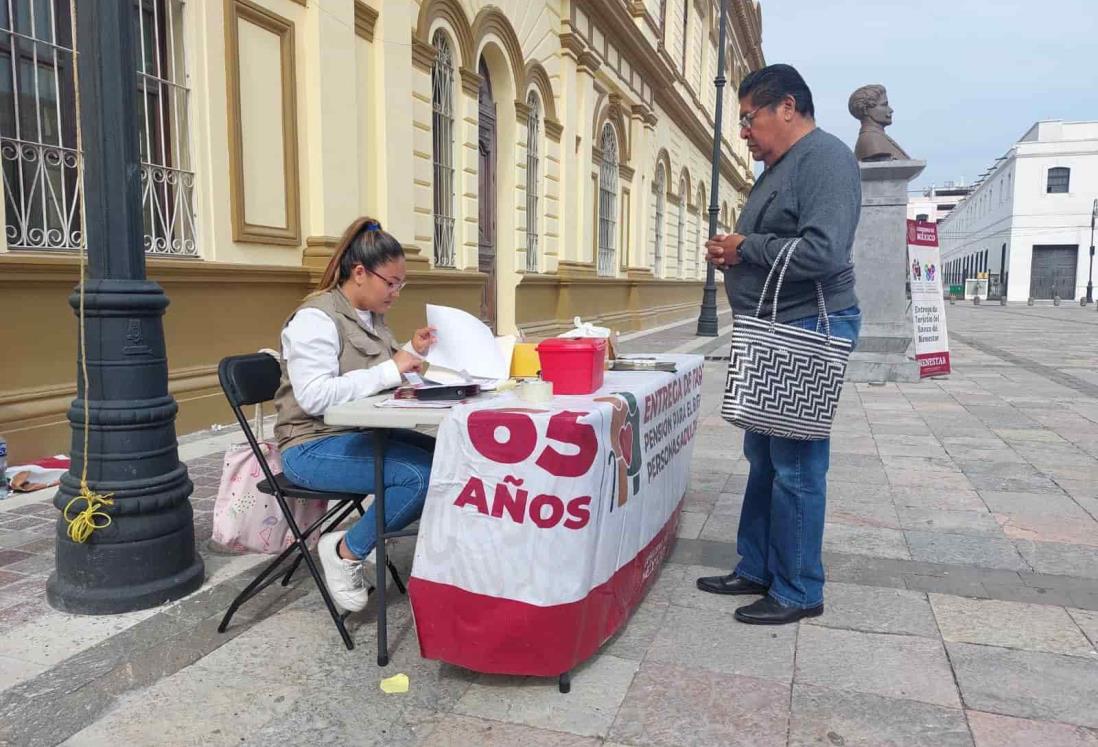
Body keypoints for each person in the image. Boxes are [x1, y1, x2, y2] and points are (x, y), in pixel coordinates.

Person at [698, 64, 862, 625]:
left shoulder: (827, 160)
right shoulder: (779, 166)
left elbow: (824, 252)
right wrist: (732, 252)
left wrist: (747, 248)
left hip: (807, 327)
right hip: (775, 327)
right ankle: (759, 566)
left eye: (749, 117)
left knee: (795, 464)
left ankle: (797, 589)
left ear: (786, 107)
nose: (742, 131)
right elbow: (770, 243)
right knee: (763, 457)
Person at [274, 216, 437, 612]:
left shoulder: (371, 318)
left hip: (360, 433)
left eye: (402, 283)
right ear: (360, 273)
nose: (397, 292)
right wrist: (393, 368)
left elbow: (384, 374)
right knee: (419, 477)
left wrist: (413, 355)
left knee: (448, 456)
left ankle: (394, 539)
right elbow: (314, 398)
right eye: (391, 282)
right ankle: (346, 550)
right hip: (310, 447)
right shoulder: (316, 318)